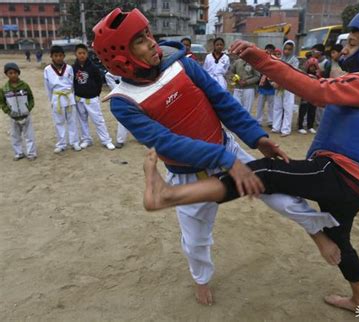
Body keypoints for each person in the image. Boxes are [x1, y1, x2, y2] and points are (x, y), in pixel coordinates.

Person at [141, 6, 359, 314]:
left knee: (265, 173)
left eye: (353, 43)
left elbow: (315, 90)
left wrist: (260, 59)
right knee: (339, 239)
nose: (344, 49)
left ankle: (171, 195)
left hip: (337, 176)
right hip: (352, 186)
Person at [92, 8, 339, 306]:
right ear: (122, 58)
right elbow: (165, 143)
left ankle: (317, 230)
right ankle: (201, 279)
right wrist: (222, 158)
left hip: (229, 150)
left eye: (147, 34)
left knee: (282, 195)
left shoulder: (181, 62)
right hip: (190, 175)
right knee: (196, 241)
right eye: (140, 41)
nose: (151, 42)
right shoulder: (124, 102)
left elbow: (222, 100)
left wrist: (257, 138)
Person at [73, 44, 115, 150]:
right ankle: (86, 139)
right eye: (79, 53)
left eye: (84, 53)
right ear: (76, 54)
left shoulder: (93, 67)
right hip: (79, 98)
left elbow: (99, 81)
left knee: (98, 120)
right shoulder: (73, 68)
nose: (82, 55)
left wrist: (96, 93)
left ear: (87, 54)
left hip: (91, 98)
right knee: (82, 120)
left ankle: (106, 140)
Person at [43, 45, 81, 153]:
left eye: (60, 55)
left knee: (72, 121)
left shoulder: (69, 68)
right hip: (57, 97)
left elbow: (73, 83)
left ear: (64, 56)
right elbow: (47, 87)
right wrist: (52, 100)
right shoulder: (47, 70)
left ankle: (74, 142)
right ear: (51, 56)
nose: (58, 58)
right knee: (59, 122)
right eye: (56, 56)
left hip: (69, 97)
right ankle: (61, 144)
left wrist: (72, 96)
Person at [0, 62, 37, 160]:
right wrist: (8, 111)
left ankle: (31, 153)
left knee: (29, 135)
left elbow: (31, 98)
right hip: (13, 116)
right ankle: (19, 153)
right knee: (15, 136)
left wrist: (28, 108)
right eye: (10, 73)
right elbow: (2, 102)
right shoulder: (4, 89)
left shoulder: (25, 86)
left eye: (15, 73)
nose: (13, 75)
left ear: (18, 73)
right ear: (6, 74)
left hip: (26, 115)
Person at [272, 40, 299, 137]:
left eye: (289, 49)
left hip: (288, 87)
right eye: (286, 49)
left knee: (288, 108)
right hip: (278, 86)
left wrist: (282, 83)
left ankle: (286, 129)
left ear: (293, 50)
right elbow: (275, 72)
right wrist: (275, 82)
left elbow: (292, 74)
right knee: (277, 107)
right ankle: (276, 127)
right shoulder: (279, 60)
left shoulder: (295, 61)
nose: (287, 51)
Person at [105, 71, 128, 148]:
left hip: (139, 92)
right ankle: (120, 140)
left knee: (140, 116)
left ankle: (141, 137)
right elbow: (108, 75)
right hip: (124, 95)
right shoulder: (122, 68)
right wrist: (118, 89)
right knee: (123, 117)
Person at [255, 44, 276, 127]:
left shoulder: (275, 61)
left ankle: (271, 121)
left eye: (271, 50)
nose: (269, 52)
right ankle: (258, 121)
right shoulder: (260, 60)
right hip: (262, 86)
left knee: (271, 106)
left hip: (271, 86)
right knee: (260, 105)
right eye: (268, 50)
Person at [297, 58, 319, 134]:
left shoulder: (317, 75)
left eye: (314, 66)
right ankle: (300, 126)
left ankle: (310, 126)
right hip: (305, 95)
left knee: (312, 111)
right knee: (303, 111)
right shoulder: (304, 74)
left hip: (314, 95)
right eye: (311, 66)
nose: (312, 68)